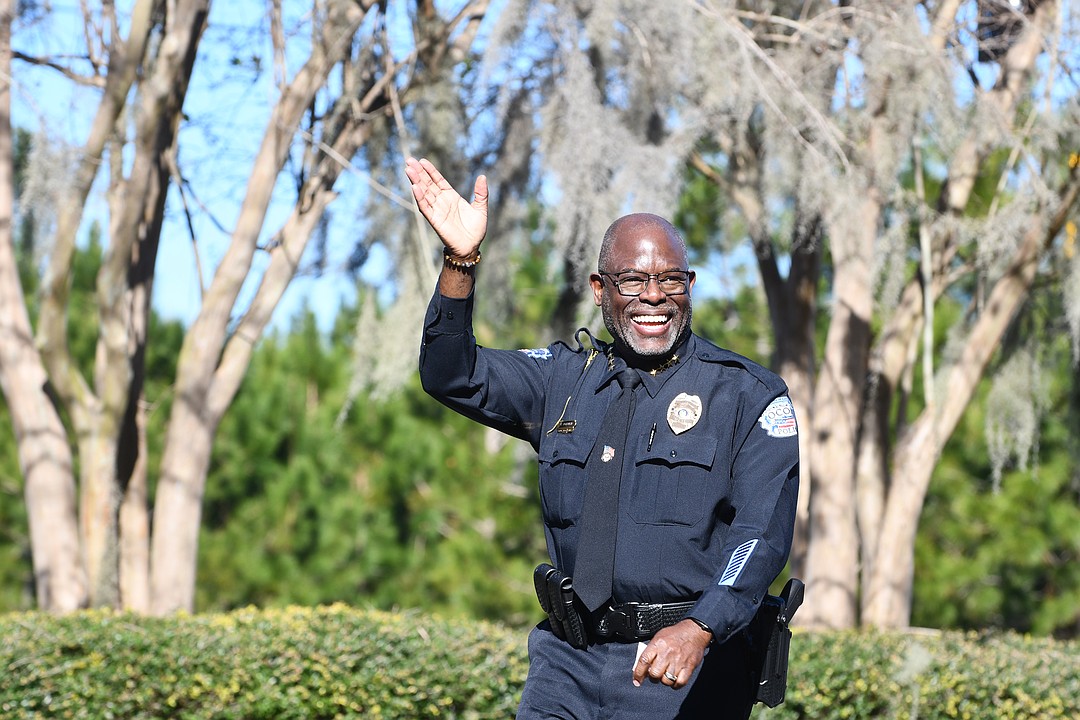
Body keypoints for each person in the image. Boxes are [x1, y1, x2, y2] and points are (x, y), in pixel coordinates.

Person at [407, 156, 799, 720]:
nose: (654, 296)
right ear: (599, 289)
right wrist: (461, 261)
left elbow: (759, 536)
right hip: (566, 661)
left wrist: (702, 626)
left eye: (670, 280)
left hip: (680, 668)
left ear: (689, 287)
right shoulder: (562, 379)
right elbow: (451, 375)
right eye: (633, 280)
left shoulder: (747, 395)